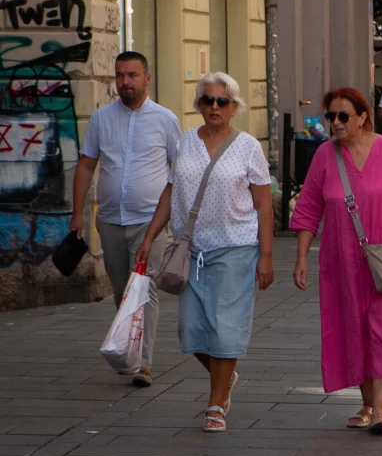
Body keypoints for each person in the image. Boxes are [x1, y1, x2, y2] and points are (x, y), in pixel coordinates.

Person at [290, 87, 382, 433]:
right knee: (355, 330)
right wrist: (300, 258)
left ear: (363, 117)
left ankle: (381, 410)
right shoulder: (325, 157)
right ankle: (367, 403)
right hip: (342, 262)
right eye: (331, 117)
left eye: (343, 116)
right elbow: (308, 209)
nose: (335, 123)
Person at [135, 72, 274, 432]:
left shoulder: (247, 147)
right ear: (199, 104)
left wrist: (267, 255)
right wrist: (151, 236)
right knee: (191, 329)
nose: (214, 107)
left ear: (234, 107)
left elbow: (263, 205)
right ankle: (225, 378)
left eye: (222, 101)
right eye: (207, 100)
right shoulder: (184, 142)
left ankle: (215, 404)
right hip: (190, 247)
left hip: (236, 247)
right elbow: (169, 192)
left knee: (225, 327)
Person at [72, 51, 181, 388]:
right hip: (109, 220)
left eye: (132, 75)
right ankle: (128, 349)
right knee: (122, 291)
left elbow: (180, 171)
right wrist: (77, 213)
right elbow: (87, 164)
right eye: (119, 76)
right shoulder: (102, 119)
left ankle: (143, 363)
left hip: (150, 223)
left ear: (147, 78)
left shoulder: (165, 120)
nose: (125, 82)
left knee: (143, 290)